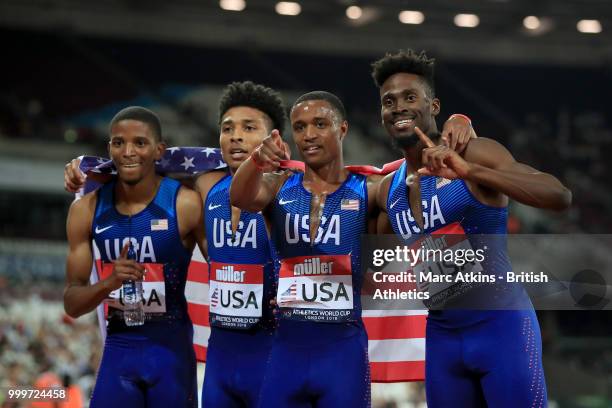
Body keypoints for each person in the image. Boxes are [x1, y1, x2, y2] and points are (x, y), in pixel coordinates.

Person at [63, 82, 287, 407]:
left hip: (265, 347)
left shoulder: (290, 188)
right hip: (211, 357)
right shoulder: (206, 186)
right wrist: (89, 167)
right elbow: (152, 164)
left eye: (248, 128)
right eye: (227, 128)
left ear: (273, 137)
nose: (236, 135)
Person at [372, 49, 572, 407]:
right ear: (382, 115)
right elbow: (364, 264)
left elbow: (558, 195)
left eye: (409, 97)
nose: (398, 107)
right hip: (442, 339)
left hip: (501, 328)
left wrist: (469, 172)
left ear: (434, 106)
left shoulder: (474, 152)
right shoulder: (388, 190)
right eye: (389, 101)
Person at [64, 106, 204, 407]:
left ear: (158, 150)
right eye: (118, 143)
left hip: (170, 354)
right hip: (119, 351)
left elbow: (222, 267)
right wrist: (109, 282)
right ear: (109, 148)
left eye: (140, 143)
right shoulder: (85, 210)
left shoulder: (185, 204)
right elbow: (72, 304)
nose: (128, 152)